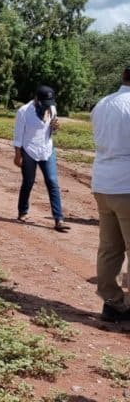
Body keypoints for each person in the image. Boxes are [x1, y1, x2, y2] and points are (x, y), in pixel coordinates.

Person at [91, 65, 130, 322]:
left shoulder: (103, 103)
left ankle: (112, 302)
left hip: (103, 182)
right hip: (126, 184)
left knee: (110, 248)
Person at [13, 85, 69, 232]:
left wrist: (56, 127)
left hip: (47, 149)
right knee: (28, 182)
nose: (47, 106)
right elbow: (18, 135)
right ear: (37, 99)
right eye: (44, 103)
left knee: (52, 181)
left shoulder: (52, 109)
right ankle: (22, 211)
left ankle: (59, 219)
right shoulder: (24, 111)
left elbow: (52, 130)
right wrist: (18, 155)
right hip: (29, 150)